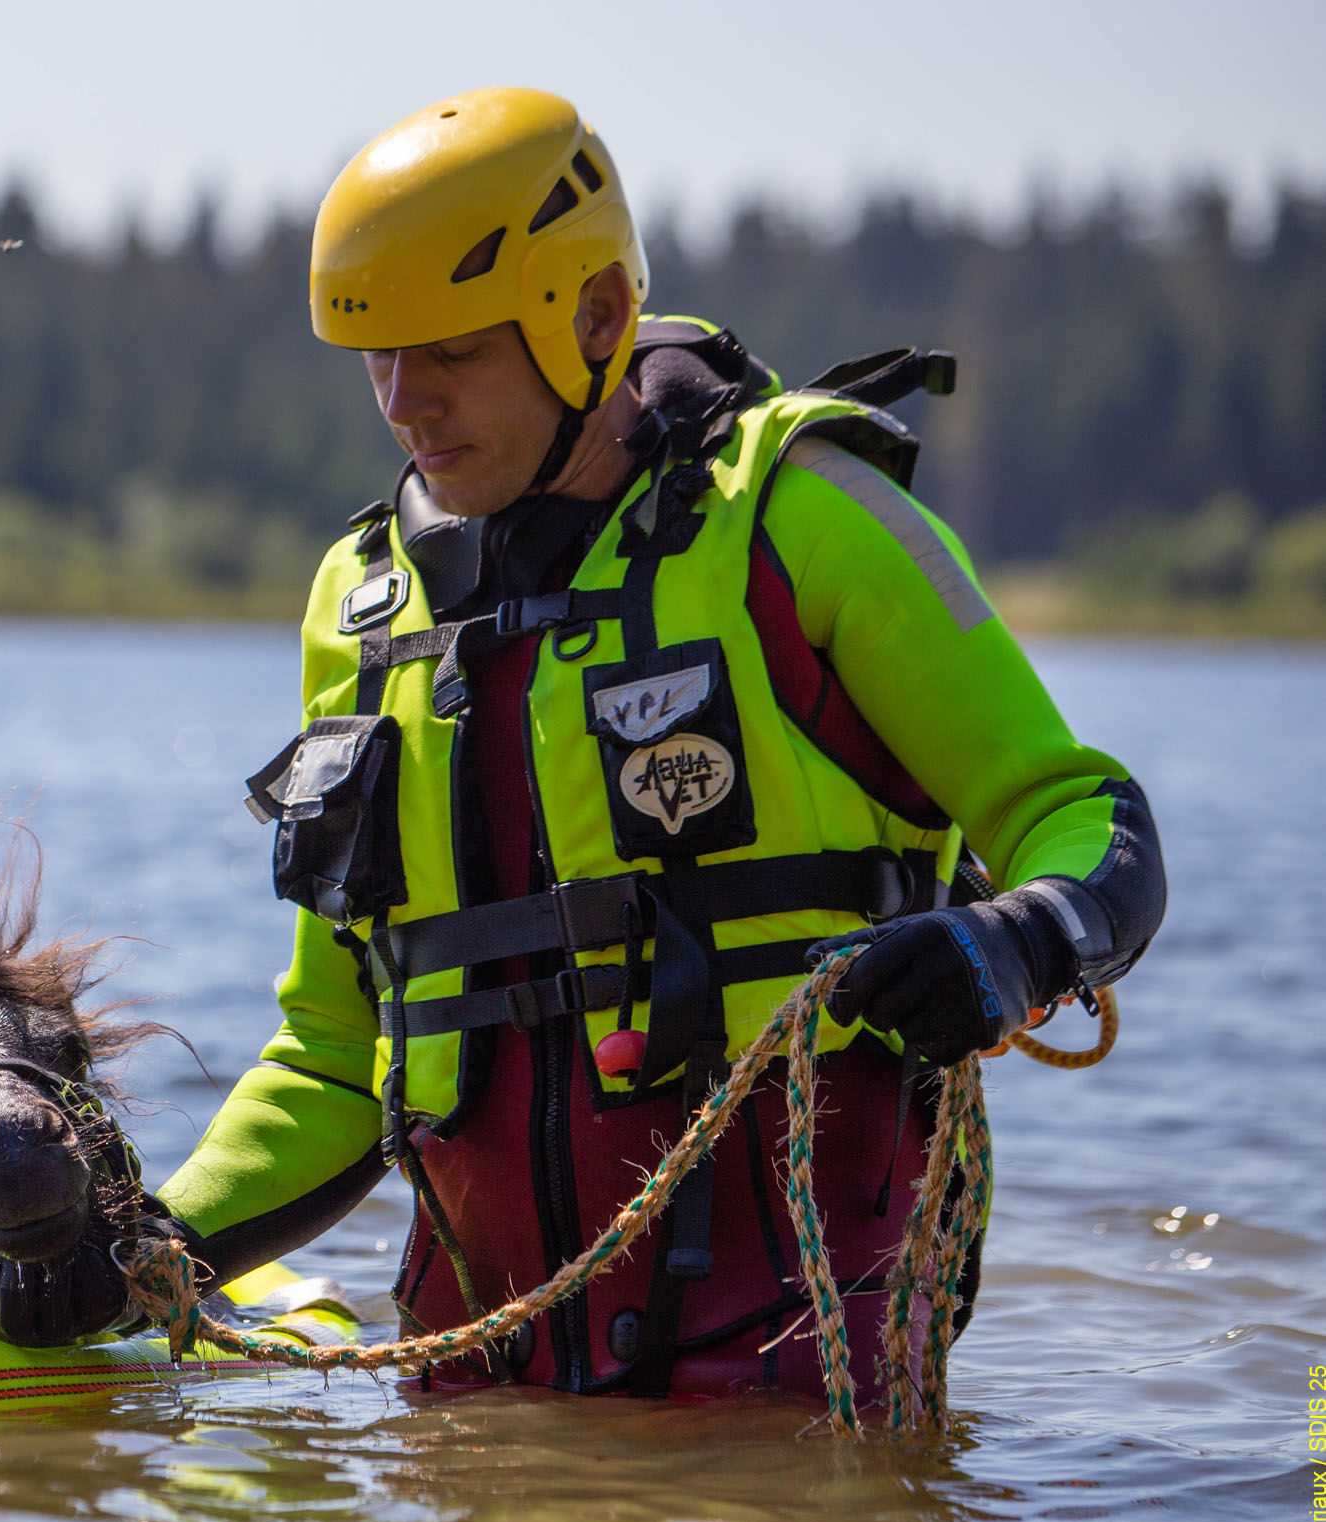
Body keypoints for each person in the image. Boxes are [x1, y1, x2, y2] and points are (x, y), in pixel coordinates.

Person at [150, 89, 1165, 1397]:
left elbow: (1086, 817)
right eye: (377, 357)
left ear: (594, 316)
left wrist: (1015, 940)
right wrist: (150, 1242)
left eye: (451, 350)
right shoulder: (361, 607)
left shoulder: (808, 519)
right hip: (471, 1402)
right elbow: (335, 1059)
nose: (405, 402)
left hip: (793, 1387)